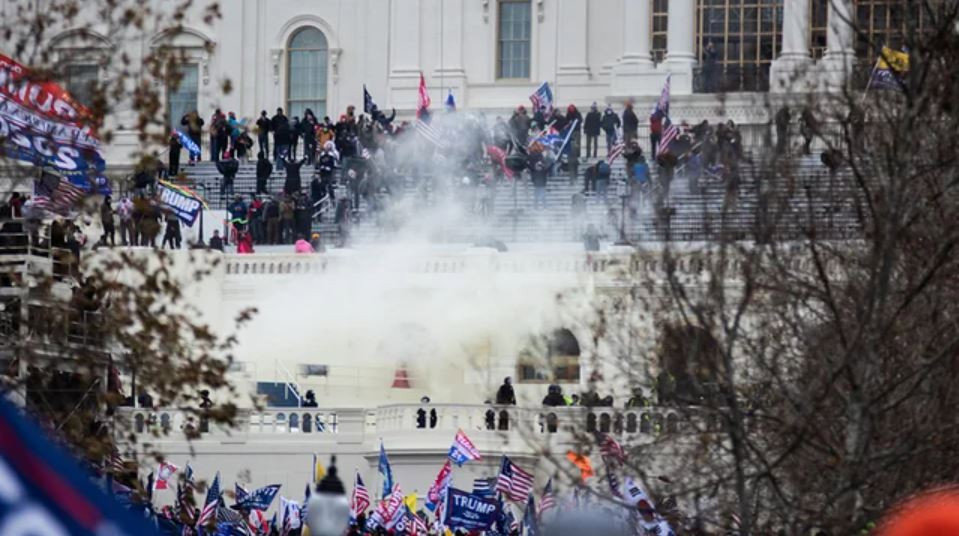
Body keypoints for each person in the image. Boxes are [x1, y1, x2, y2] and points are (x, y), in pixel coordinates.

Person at [528, 144, 548, 210]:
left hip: (539, 186)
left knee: (541, 197)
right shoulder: (540, 171)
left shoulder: (539, 171)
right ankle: (539, 207)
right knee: (539, 197)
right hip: (539, 186)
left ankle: (541, 207)